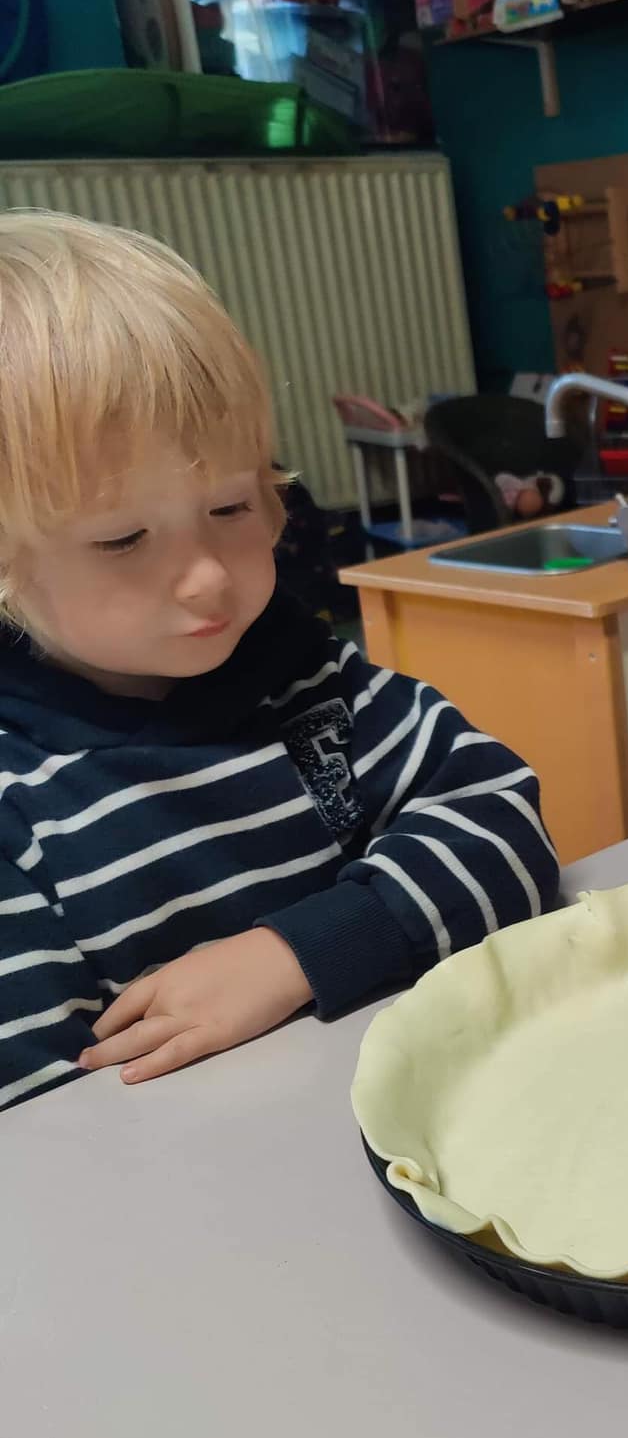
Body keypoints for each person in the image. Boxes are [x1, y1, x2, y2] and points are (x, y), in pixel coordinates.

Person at [0, 210, 559, 1113]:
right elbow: (48, 1135)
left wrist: (297, 953)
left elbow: (503, 822)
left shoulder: (305, 677)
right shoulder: (20, 806)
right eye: (123, 539)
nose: (207, 578)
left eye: (230, 507)